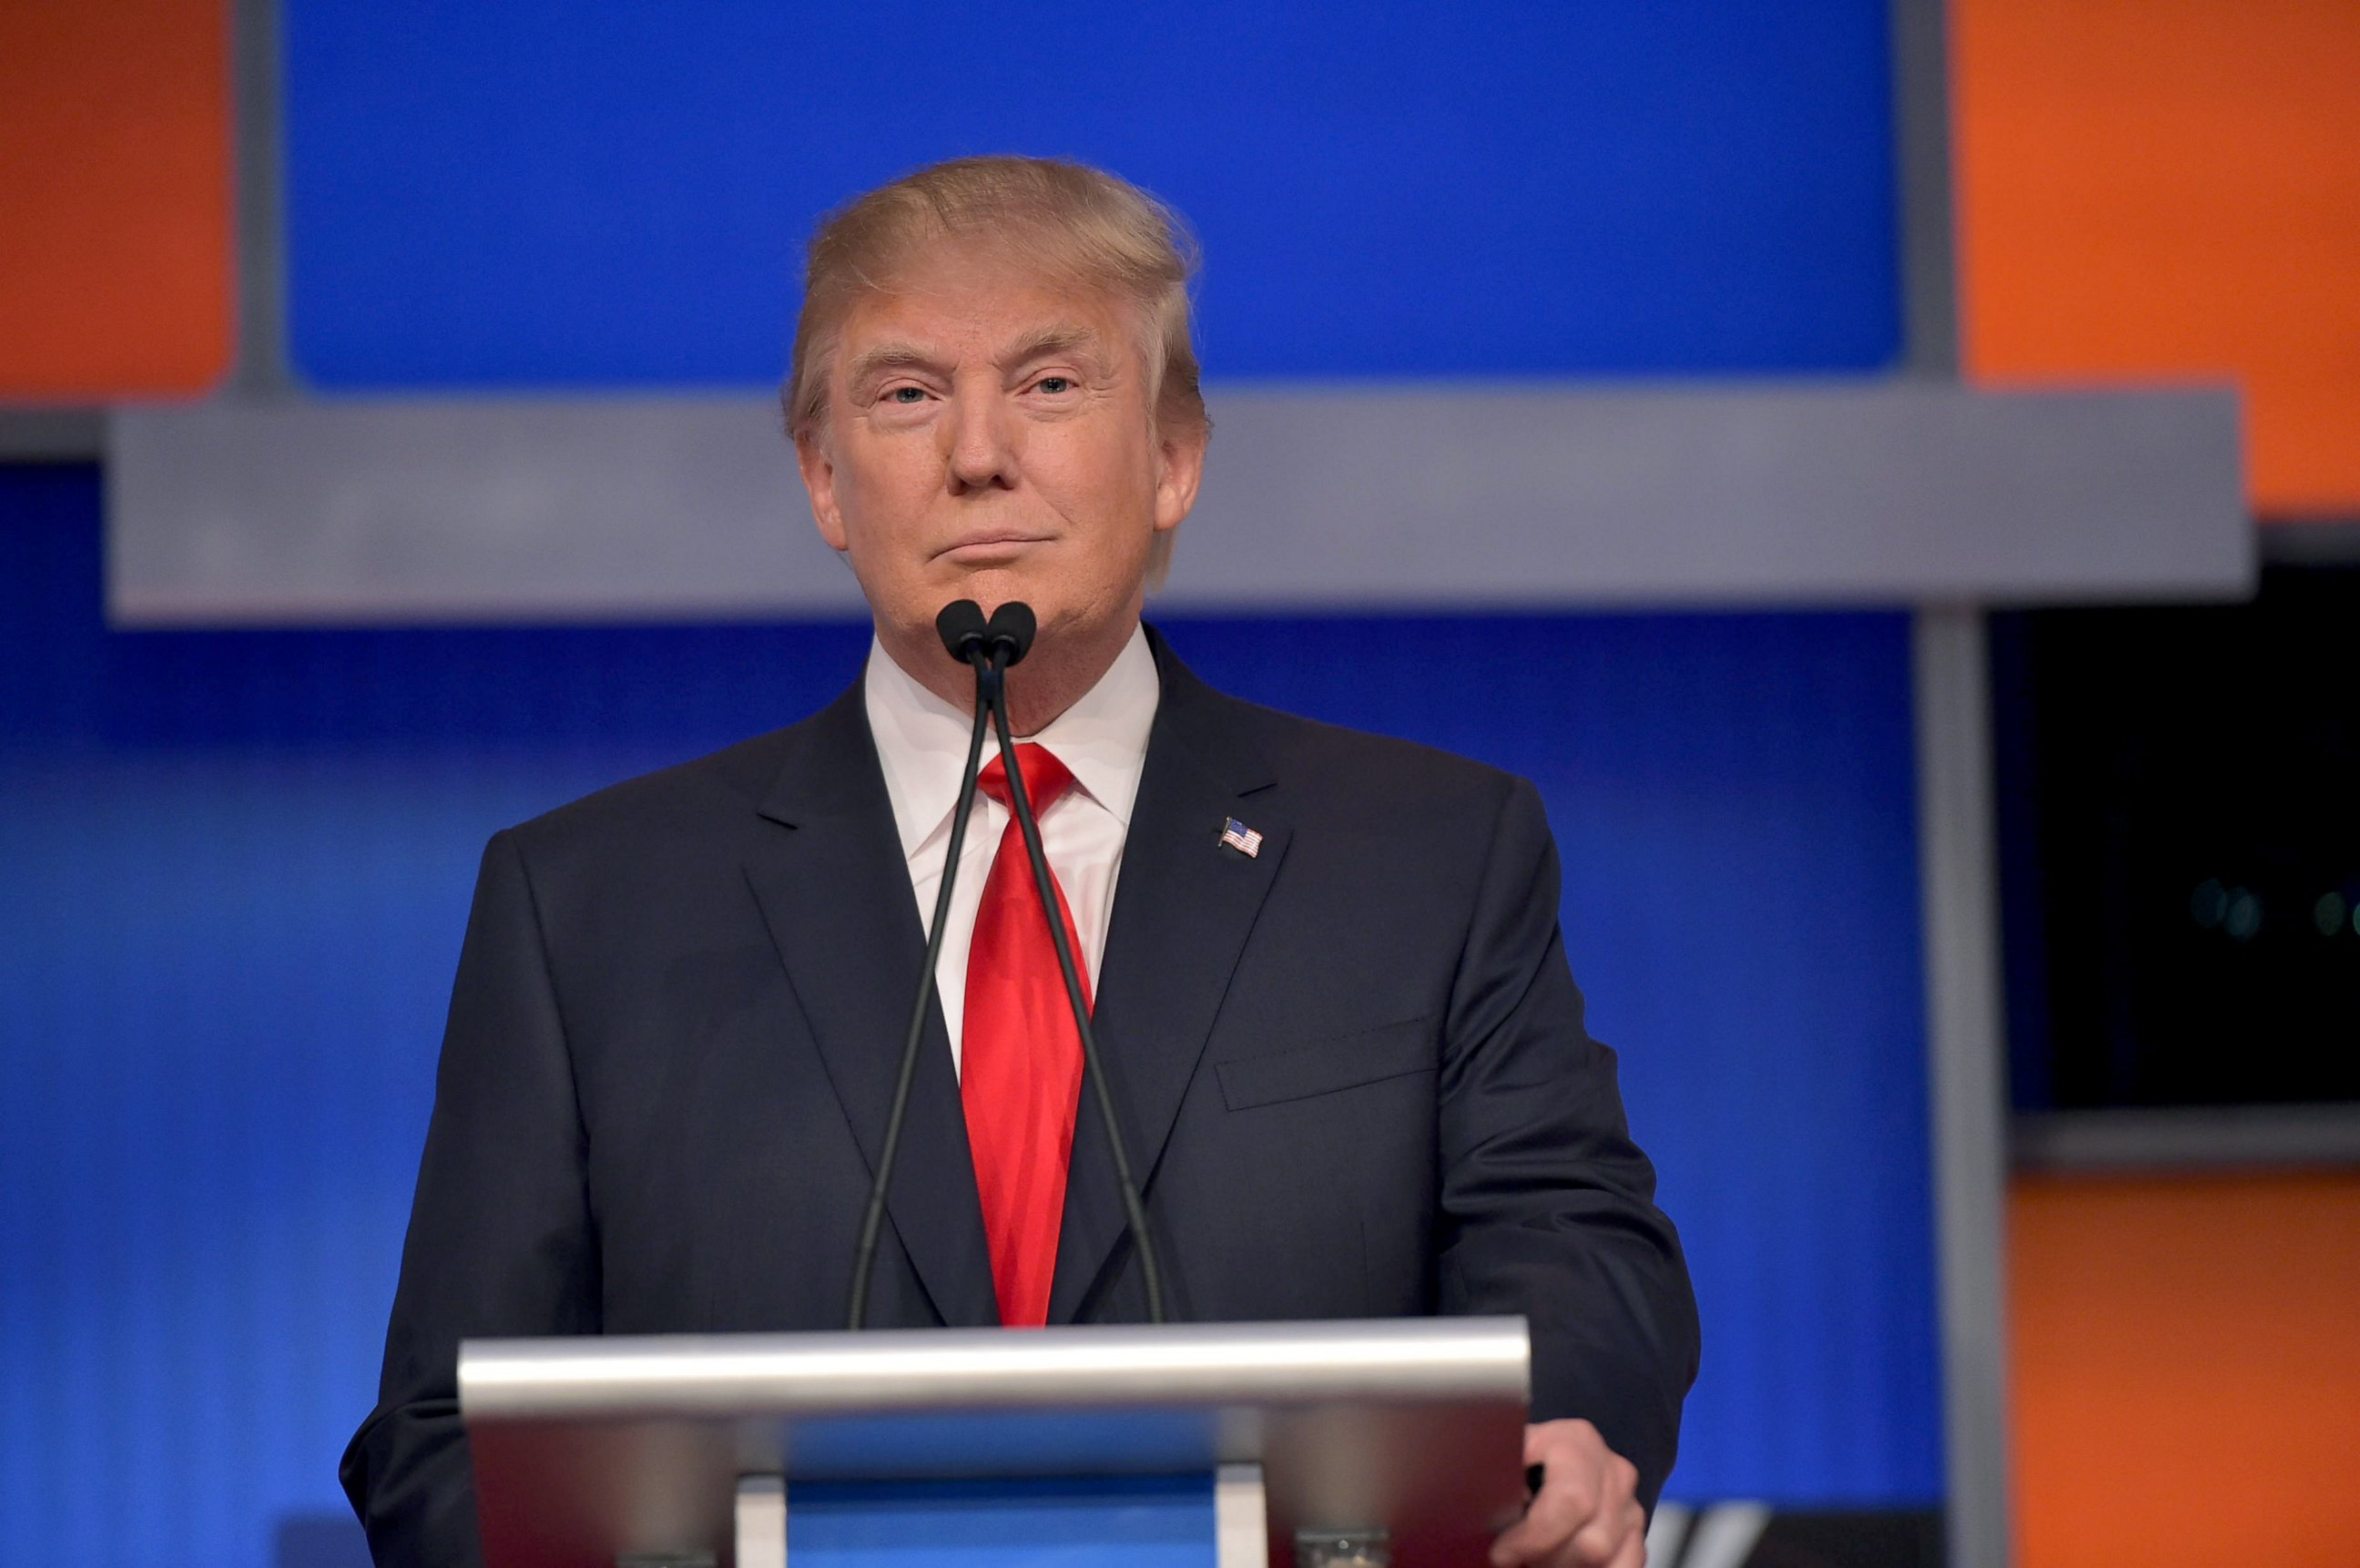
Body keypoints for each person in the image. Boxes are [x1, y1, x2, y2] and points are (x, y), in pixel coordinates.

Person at [341, 156, 1698, 1568]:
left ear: (1174, 459)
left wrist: (1567, 1422)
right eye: (907, 393)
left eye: (1051, 384)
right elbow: (442, 1437)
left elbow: (1576, 1244)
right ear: (823, 477)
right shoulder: (586, 908)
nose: (977, 450)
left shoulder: (1426, 855)